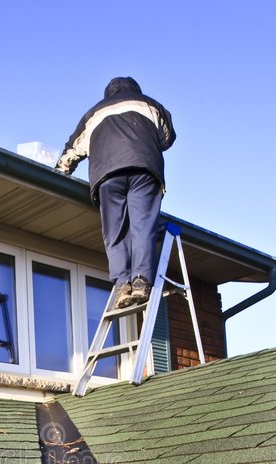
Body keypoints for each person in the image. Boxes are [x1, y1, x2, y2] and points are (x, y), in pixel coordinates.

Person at [55, 77, 176, 308]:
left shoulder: (94, 113)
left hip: (108, 175)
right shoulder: (151, 105)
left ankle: (122, 285)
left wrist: (61, 171)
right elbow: (167, 138)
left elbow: (73, 149)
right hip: (144, 170)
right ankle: (141, 281)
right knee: (142, 227)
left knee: (115, 232)